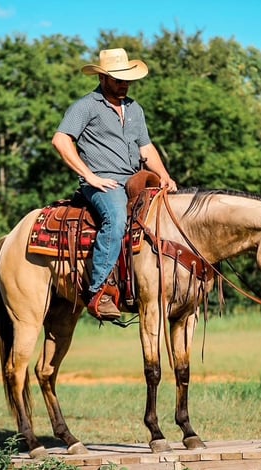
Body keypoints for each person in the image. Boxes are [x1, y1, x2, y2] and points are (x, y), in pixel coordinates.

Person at [52, 48, 176, 321]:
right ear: (103, 78)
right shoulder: (86, 106)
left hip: (134, 179)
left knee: (168, 215)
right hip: (103, 183)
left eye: (126, 80)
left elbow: (146, 148)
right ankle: (98, 291)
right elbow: (60, 140)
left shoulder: (135, 109)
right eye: (118, 80)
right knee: (117, 219)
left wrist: (165, 175)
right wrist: (91, 177)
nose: (124, 85)